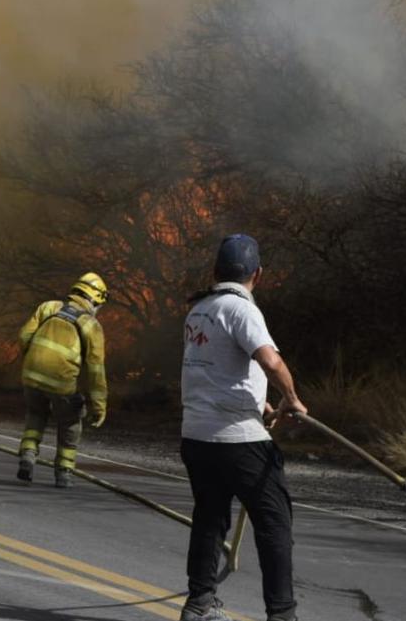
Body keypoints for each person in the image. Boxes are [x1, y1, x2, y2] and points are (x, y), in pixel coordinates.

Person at [178, 234, 307, 621]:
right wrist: (291, 400)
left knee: (210, 517)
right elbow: (270, 361)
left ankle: (199, 604)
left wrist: (262, 404)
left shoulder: (199, 309)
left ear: (216, 271)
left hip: (197, 436)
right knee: (274, 522)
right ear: (258, 274)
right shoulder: (243, 310)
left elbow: (216, 370)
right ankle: (282, 615)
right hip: (237, 440)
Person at [15, 273, 109, 488]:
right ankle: (64, 471)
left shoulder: (48, 307)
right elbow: (96, 370)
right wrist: (99, 406)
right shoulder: (91, 325)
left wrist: (33, 360)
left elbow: (23, 337)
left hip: (31, 376)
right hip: (61, 383)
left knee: (36, 413)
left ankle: (28, 455)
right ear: (94, 299)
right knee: (70, 422)